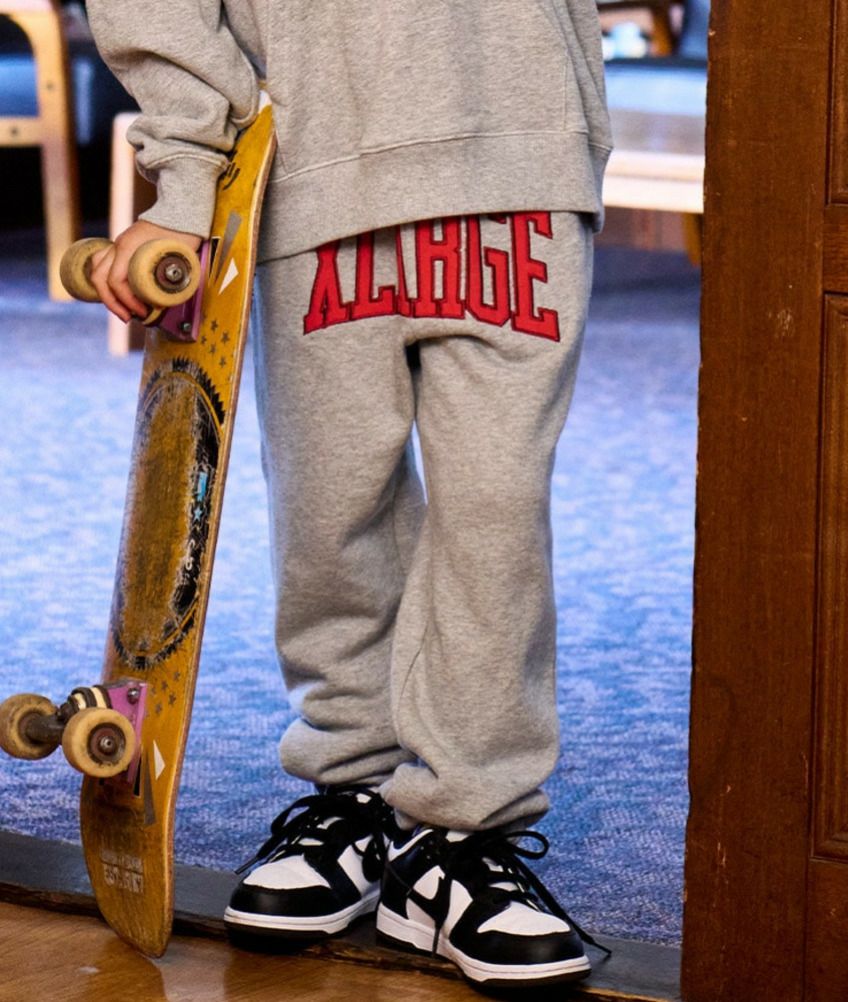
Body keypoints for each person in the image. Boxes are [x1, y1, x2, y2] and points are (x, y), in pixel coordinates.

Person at [85, 0, 612, 989]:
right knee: (330, 512)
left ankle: (464, 834)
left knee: (495, 519)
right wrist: (187, 172)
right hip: (315, 159)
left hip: (522, 146)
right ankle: (354, 786)